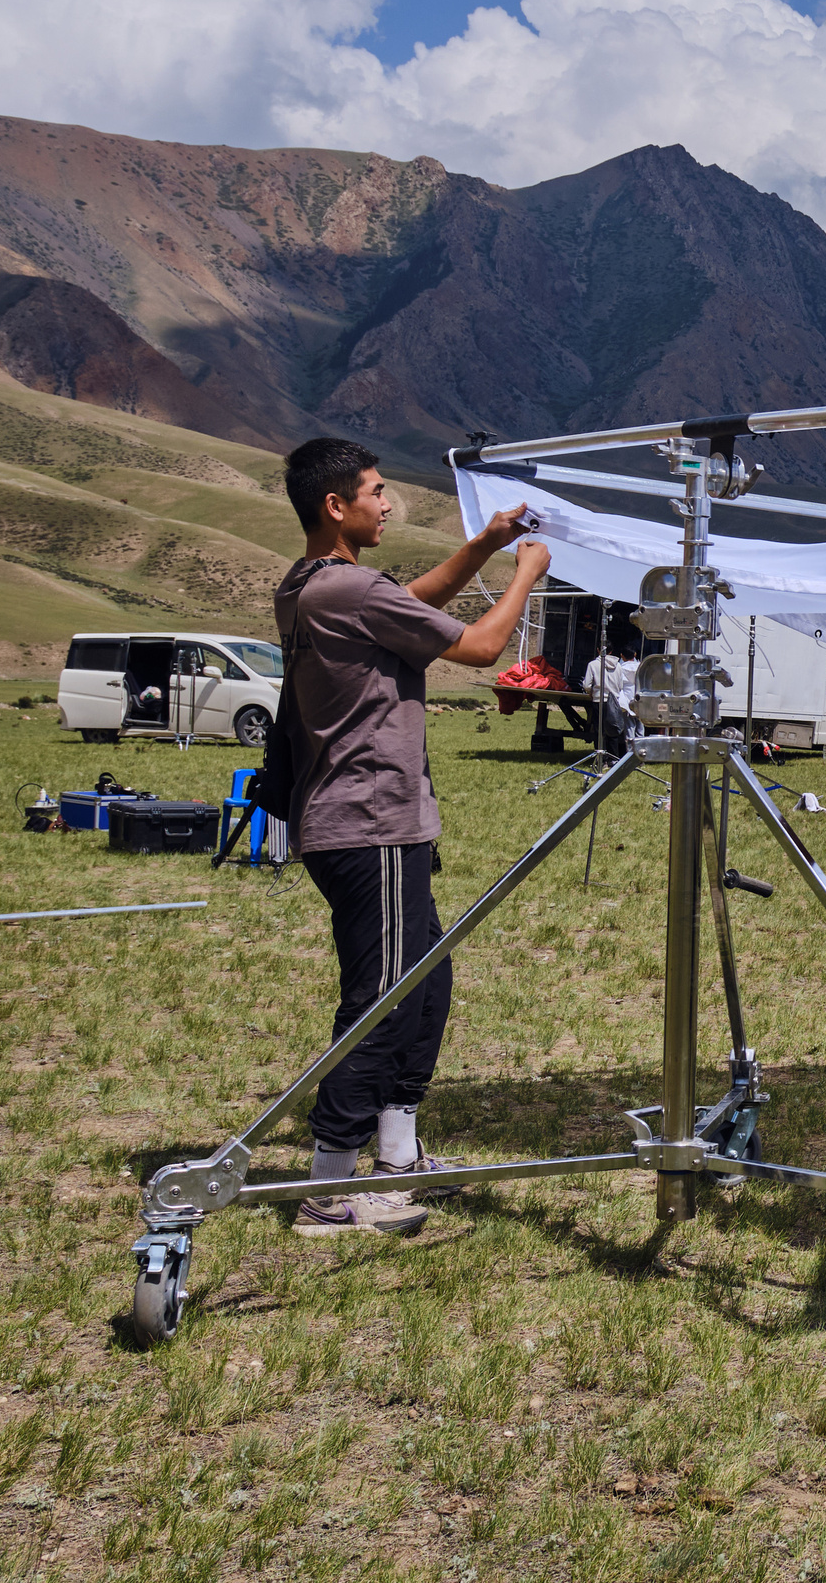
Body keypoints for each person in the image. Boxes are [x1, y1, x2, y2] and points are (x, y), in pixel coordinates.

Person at [277, 438, 551, 1236]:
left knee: (424, 982)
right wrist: (526, 575)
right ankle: (327, 1189)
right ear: (337, 506)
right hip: (370, 824)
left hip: (369, 823)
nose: (389, 502)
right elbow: (480, 647)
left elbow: (407, 601)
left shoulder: (311, 586)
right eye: (376, 490)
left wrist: (483, 544)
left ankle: (398, 1156)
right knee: (382, 999)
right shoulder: (347, 589)